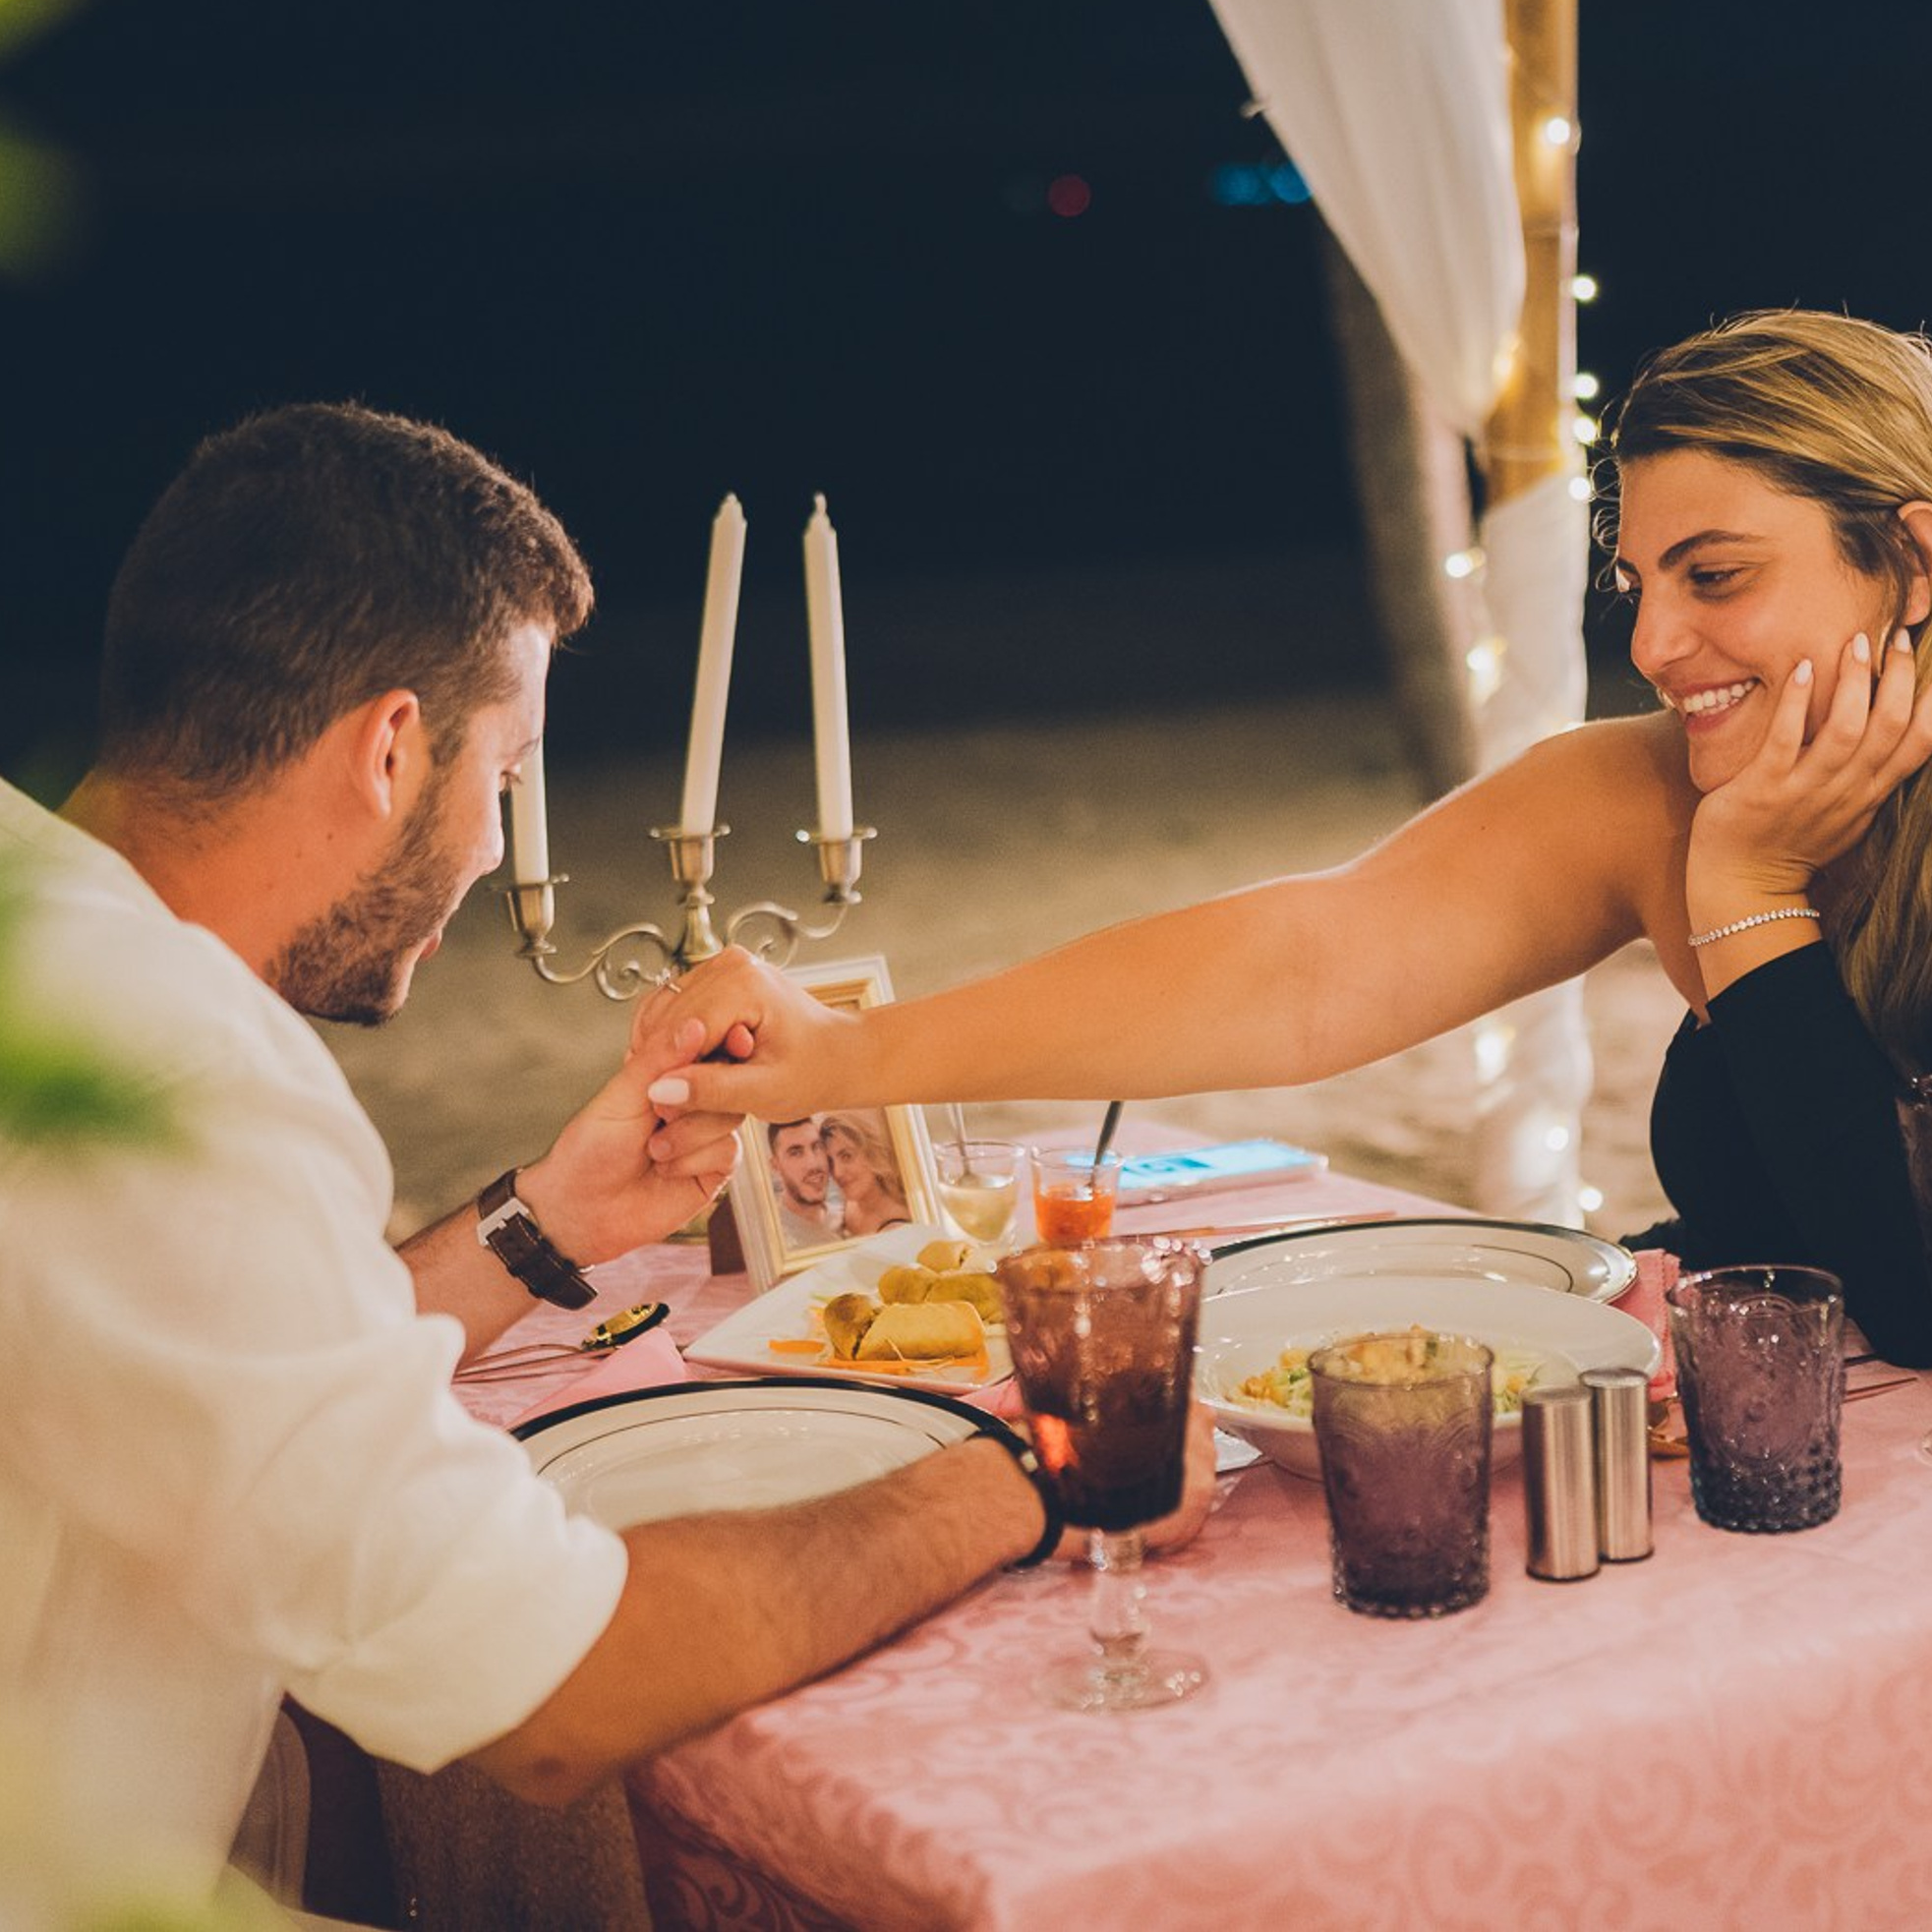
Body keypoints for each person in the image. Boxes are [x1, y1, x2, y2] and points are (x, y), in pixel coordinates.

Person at [657, 310, 1932, 1465]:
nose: (1656, 644)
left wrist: (1746, 898)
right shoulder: (1663, 788)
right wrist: (833, 1060)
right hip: (1809, 1494)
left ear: (1917, 563)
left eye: (1716, 575)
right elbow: (1309, 965)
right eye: (1639, 578)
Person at [0, 404, 1209, 1907]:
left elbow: (217, 1341)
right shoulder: (183, 1071)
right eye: (501, 776)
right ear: (390, 747)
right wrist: (1031, 1470)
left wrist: (548, 1222)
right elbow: (553, 1692)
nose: (499, 847)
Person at [822, 1109, 911, 1236]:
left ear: (871, 1155)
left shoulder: (897, 1228)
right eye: (830, 1162)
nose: (837, 1172)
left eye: (847, 1156)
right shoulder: (849, 1203)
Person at [766, 1115, 836, 1241]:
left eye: (817, 1147)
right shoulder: (773, 1237)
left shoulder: (846, 1220)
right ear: (775, 1166)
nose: (813, 1163)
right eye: (795, 1153)